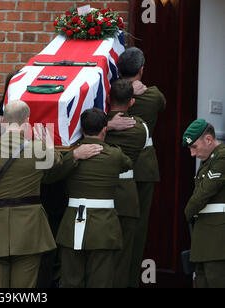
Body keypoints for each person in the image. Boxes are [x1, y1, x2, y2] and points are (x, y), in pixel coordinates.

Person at [0, 100, 66, 288]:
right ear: (27, 122)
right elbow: (57, 161)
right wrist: (46, 143)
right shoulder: (39, 150)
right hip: (29, 231)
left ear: (4, 123)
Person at [47, 108, 132, 287]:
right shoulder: (115, 155)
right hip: (104, 228)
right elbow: (127, 164)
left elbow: (50, 176)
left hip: (72, 225)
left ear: (82, 130)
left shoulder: (70, 155)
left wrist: (73, 155)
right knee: (101, 282)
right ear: (104, 129)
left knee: (70, 281)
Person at [117, 47, 167, 287]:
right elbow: (161, 102)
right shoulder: (153, 96)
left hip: (114, 166)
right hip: (143, 168)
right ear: (141, 70)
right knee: (136, 231)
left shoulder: (111, 95)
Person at [104, 79, 148, 288]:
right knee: (122, 260)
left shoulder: (95, 125)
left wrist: (106, 124)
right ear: (131, 102)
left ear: (107, 99)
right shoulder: (140, 128)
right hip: (127, 197)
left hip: (101, 194)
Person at [182, 119, 225, 288]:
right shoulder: (209, 160)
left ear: (208, 140)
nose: (192, 154)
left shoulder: (222, 157)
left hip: (217, 237)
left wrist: (187, 211)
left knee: (216, 280)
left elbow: (204, 192)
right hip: (204, 235)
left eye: (194, 147)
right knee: (201, 281)